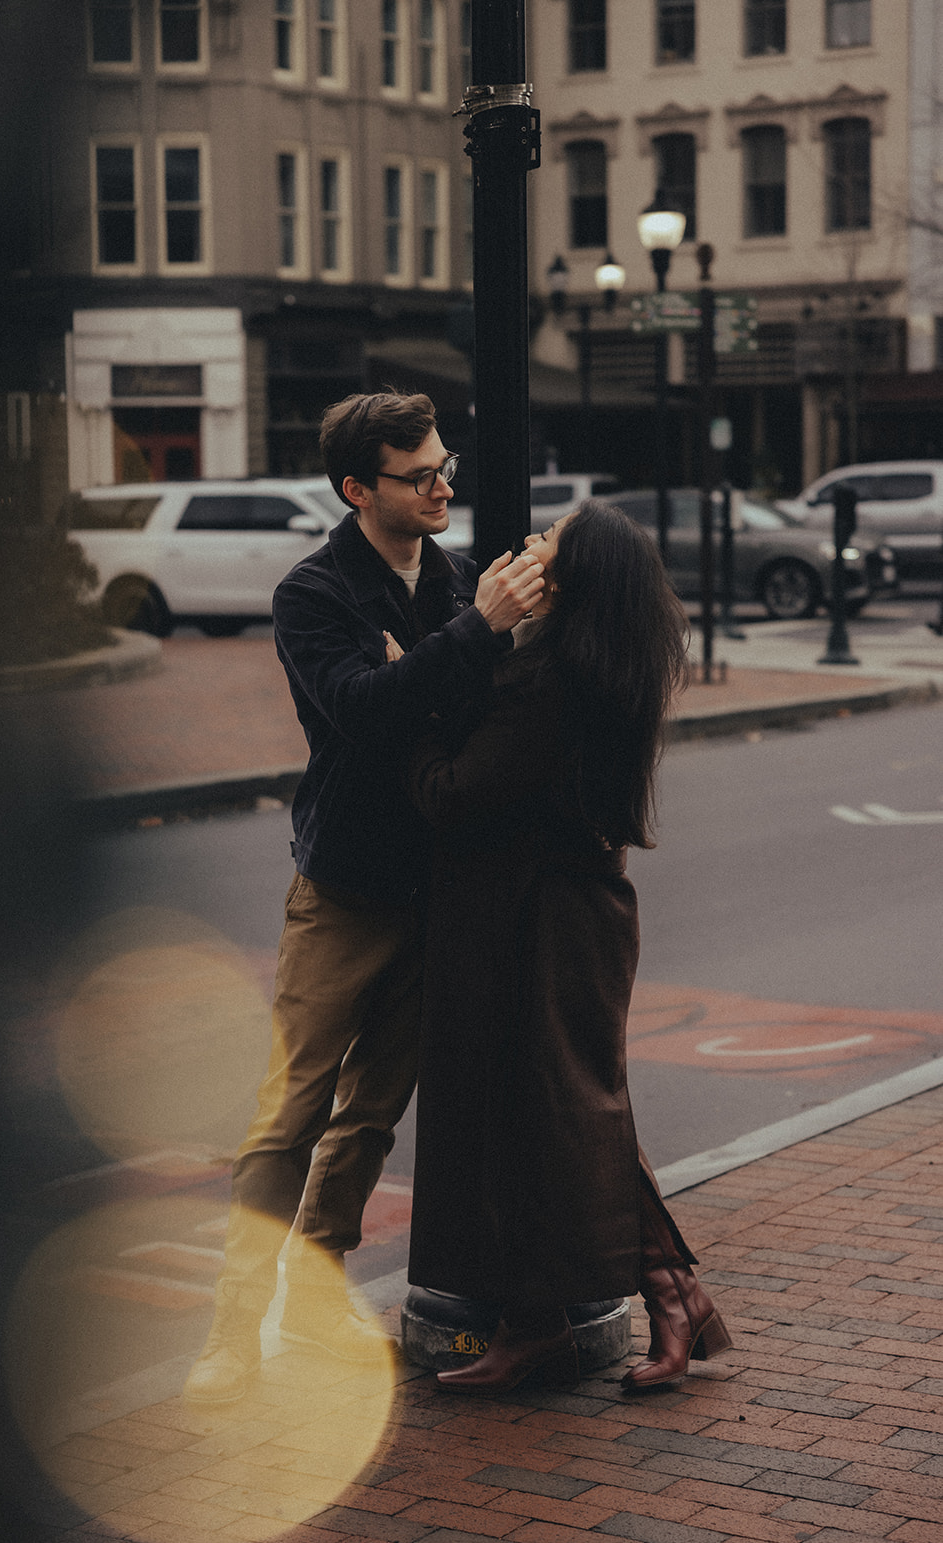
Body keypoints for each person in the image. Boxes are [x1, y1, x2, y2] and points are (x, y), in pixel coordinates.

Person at [184, 391, 544, 1403]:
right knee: (289, 1114)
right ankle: (228, 1332)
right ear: (358, 489)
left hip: (438, 891)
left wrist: (432, 663)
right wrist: (465, 644)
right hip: (342, 888)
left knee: (368, 1120)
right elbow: (363, 714)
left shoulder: (462, 579)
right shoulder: (315, 593)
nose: (443, 486)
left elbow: (459, 720)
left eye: (444, 465)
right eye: (419, 474)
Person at [398, 499, 733, 1395]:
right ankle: (604, 1307)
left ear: (574, 577)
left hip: (541, 925)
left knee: (560, 1113)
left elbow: (451, 793)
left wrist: (416, 707)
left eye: (548, 542)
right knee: (549, 1112)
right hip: (567, 916)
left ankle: (627, 1302)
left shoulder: (550, 684)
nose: (528, 549)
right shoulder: (603, 666)